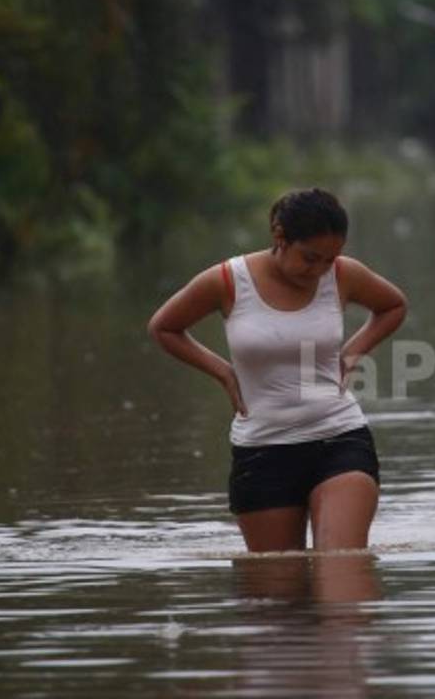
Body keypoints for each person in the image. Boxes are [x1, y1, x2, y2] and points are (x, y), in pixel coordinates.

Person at [148, 188, 407, 551]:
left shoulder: (344, 276)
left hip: (339, 437)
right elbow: (164, 327)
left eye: (329, 260)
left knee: (343, 575)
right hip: (262, 450)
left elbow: (393, 306)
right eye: (310, 258)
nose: (319, 270)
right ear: (279, 236)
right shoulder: (227, 280)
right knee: (277, 597)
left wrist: (352, 354)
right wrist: (223, 372)